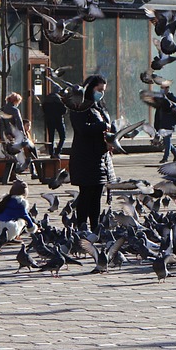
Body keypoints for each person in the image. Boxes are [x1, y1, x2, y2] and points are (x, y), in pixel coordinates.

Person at [69, 73, 114, 236]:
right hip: (85, 158)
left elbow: (105, 127)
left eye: (103, 90)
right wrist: (103, 126)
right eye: (99, 89)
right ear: (90, 88)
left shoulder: (99, 106)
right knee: (86, 194)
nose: (101, 93)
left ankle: (96, 228)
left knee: (97, 195)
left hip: (101, 158)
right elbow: (82, 128)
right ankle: (81, 227)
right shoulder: (79, 105)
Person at [153, 80, 176, 162]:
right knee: (166, 141)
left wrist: (173, 110)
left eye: (163, 88)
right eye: (161, 88)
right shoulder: (160, 97)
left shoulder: (172, 97)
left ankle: (165, 158)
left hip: (169, 122)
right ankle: (175, 151)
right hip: (161, 122)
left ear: (167, 89)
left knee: (167, 140)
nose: (162, 89)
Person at [41, 86, 67, 157]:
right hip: (58, 120)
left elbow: (43, 109)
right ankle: (57, 152)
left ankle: (51, 153)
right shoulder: (60, 99)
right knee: (62, 136)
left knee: (51, 137)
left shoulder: (47, 99)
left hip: (49, 120)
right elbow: (64, 110)